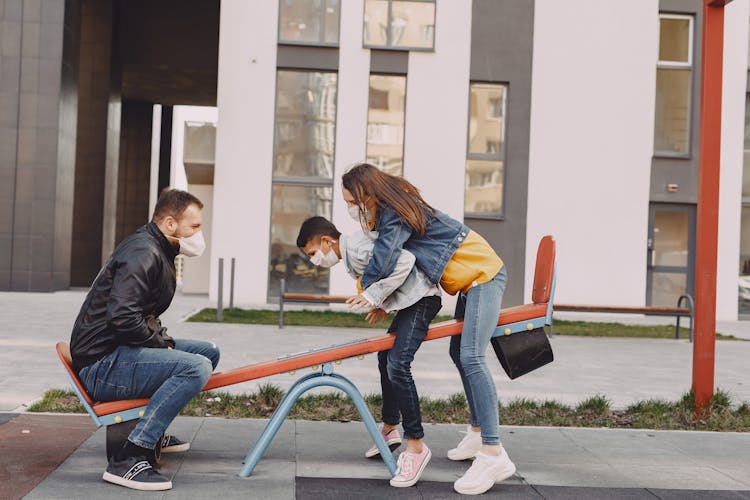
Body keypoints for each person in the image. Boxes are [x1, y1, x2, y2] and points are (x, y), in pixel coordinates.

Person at [341, 163, 515, 495]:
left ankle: (493, 453)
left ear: (368, 195)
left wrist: (366, 288)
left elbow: (387, 255)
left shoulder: (395, 213)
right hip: (471, 282)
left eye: (353, 202)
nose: (352, 209)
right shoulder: (400, 206)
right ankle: (478, 432)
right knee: (459, 352)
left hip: (484, 275)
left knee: (473, 357)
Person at [69, 188, 220, 492]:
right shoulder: (144, 253)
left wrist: (159, 340)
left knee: (208, 353)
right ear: (169, 224)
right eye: (194, 227)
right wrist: (158, 343)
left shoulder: (157, 248)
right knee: (196, 367)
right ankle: (130, 457)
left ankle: (154, 425)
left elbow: (142, 313)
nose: (199, 234)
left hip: (119, 351)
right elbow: (123, 317)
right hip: (103, 363)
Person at [296, 216, 442, 488]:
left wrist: (373, 296)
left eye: (313, 253)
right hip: (411, 300)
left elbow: (405, 262)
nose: (315, 260)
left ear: (327, 241)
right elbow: (390, 273)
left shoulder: (358, 249)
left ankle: (416, 446)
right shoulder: (352, 252)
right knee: (385, 356)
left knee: (398, 364)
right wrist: (383, 304)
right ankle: (389, 428)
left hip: (423, 300)